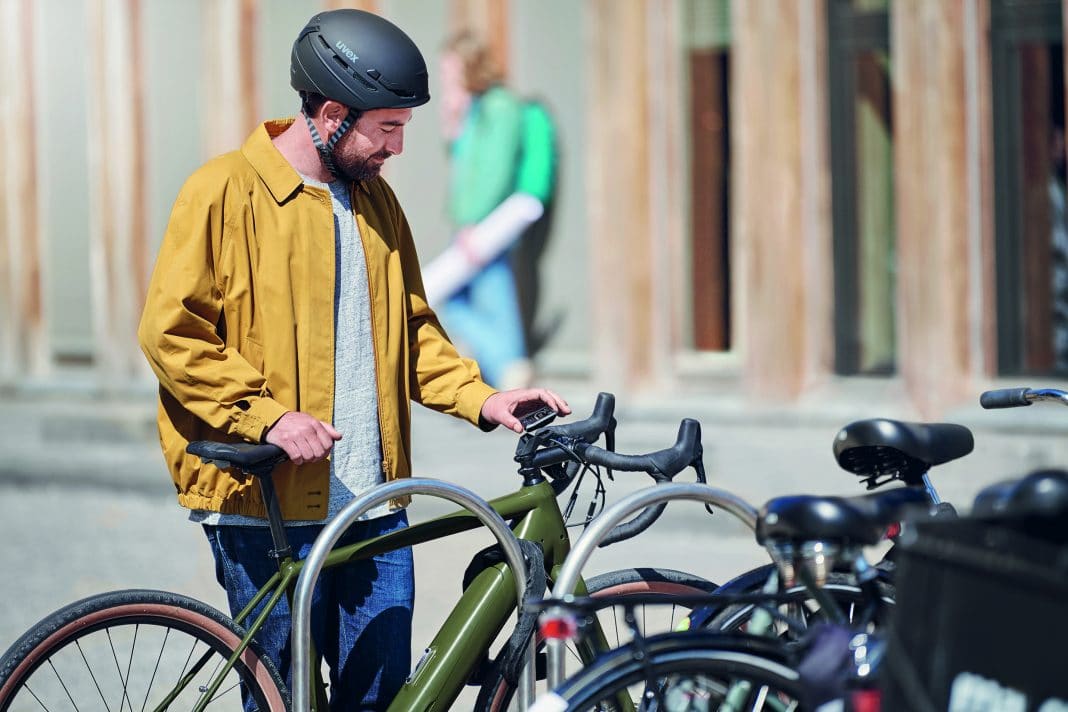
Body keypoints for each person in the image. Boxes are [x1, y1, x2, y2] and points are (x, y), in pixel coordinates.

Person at [136, 9, 569, 710]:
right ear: (333, 113)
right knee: (280, 700)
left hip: (374, 505)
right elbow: (172, 333)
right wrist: (267, 417)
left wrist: (482, 398)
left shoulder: (377, 204)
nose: (398, 147)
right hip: (265, 510)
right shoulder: (222, 192)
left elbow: (412, 331)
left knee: (380, 699)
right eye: (387, 128)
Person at [422, 31, 558, 390]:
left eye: (449, 68)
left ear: (469, 65)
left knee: (489, 293)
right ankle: (505, 365)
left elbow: (496, 170)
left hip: (488, 223)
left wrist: (473, 222)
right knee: (465, 296)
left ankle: (511, 366)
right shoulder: (475, 107)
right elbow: (460, 165)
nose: (445, 75)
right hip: (471, 221)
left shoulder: (500, 106)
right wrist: (452, 122)